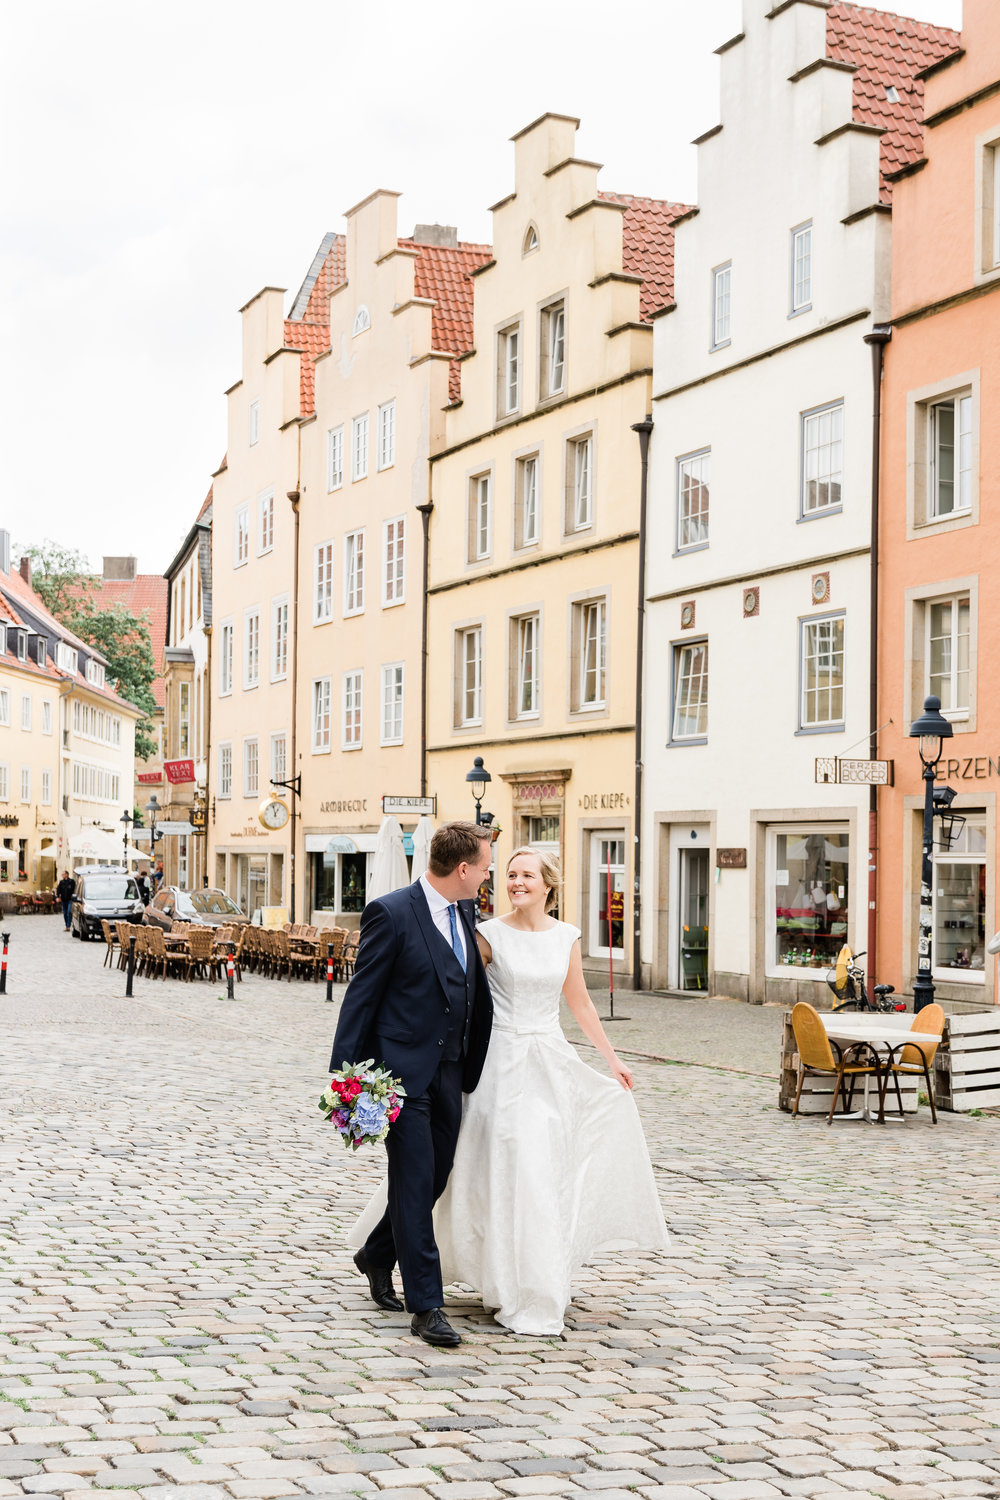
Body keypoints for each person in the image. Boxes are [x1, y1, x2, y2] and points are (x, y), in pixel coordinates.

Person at [430, 846, 668, 1335]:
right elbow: (459, 998)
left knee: (541, 1171)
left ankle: (536, 1285)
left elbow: (579, 1004)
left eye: (527, 876)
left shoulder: (566, 937)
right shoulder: (487, 935)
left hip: (550, 1063)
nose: (517, 883)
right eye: (511, 875)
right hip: (500, 1065)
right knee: (500, 1168)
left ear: (549, 885)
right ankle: (499, 1276)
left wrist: (613, 1059)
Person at [331, 821, 494, 1348]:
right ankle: (427, 1306)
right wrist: (347, 1081)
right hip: (399, 1076)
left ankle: (376, 1254)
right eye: (485, 868)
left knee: (433, 1178)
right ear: (463, 869)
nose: (487, 877)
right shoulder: (392, 912)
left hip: (451, 1071)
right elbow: (361, 998)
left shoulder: (467, 913)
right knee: (415, 1173)